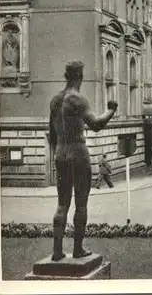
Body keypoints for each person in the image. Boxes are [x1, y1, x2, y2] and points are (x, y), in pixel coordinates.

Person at [49, 60, 118, 261]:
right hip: (78, 154)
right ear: (80, 77)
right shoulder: (77, 100)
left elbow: (51, 134)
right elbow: (96, 124)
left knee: (62, 205)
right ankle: (78, 249)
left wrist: (58, 153)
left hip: (61, 154)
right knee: (81, 205)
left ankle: (57, 251)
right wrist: (111, 110)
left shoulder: (55, 100)